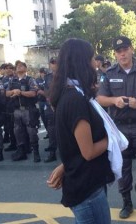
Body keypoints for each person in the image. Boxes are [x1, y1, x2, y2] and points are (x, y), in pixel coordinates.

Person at [47, 38, 114, 224]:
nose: (96, 63)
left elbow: (76, 144)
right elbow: (89, 151)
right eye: (92, 58)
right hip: (87, 188)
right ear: (82, 62)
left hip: (84, 180)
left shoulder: (72, 93)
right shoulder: (75, 99)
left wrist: (65, 165)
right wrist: (112, 138)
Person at [97, 35, 136, 219]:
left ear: (131, 50)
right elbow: (100, 98)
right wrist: (114, 100)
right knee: (123, 166)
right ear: (115, 54)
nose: (122, 54)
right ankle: (127, 202)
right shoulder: (109, 74)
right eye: (118, 52)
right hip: (119, 128)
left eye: (125, 50)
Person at [7, 60, 41, 162]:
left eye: (21, 66)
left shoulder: (30, 80)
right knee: (18, 132)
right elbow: (6, 93)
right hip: (17, 110)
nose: (19, 67)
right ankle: (22, 151)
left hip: (28, 109)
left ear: (25, 69)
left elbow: (34, 93)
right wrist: (13, 91)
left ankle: (36, 152)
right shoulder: (12, 80)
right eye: (17, 66)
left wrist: (20, 92)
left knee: (32, 132)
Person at [41, 58, 58, 163]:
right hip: (50, 106)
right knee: (51, 130)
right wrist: (50, 101)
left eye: (55, 63)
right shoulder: (48, 77)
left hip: (61, 106)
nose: (54, 65)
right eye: (52, 63)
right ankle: (52, 153)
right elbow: (46, 91)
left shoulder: (65, 76)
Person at [1, 64, 17, 152]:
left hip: (16, 105)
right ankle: (13, 143)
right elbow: (2, 93)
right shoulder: (3, 80)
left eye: (10, 68)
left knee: (19, 127)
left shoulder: (16, 78)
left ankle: (25, 145)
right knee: (10, 127)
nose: (8, 70)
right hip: (7, 106)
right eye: (6, 68)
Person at [36, 68, 49, 138]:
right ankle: (48, 132)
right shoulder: (37, 80)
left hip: (48, 101)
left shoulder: (48, 79)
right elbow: (36, 89)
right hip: (41, 101)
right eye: (42, 72)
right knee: (43, 118)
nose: (44, 74)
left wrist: (41, 91)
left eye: (45, 73)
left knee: (49, 118)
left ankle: (50, 133)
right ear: (40, 73)